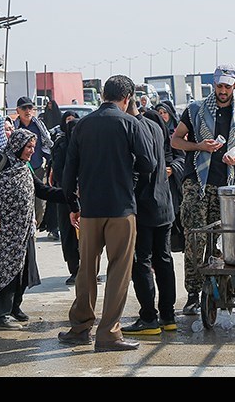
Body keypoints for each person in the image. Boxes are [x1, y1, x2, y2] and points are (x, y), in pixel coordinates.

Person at [58, 75, 155, 353]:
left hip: (89, 210)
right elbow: (148, 163)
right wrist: (131, 180)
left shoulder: (82, 125)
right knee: (118, 272)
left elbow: (68, 171)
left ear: (102, 95)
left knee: (86, 270)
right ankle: (109, 334)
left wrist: (73, 206)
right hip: (121, 209)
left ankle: (80, 328)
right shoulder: (131, 123)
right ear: (128, 98)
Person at [0, 128, 76, 337]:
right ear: (17, 145)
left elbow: (42, 190)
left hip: (15, 234)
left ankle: (1, 315)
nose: (31, 151)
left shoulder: (23, 166)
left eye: (33, 148)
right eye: (28, 147)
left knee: (11, 271)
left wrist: (70, 195)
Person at [170, 64, 235, 315]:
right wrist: (199, 146)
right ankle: (193, 293)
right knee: (195, 237)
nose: (223, 90)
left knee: (222, 239)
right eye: (219, 86)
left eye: (227, 86)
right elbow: (175, 140)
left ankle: (219, 289)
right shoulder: (195, 110)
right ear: (213, 86)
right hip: (196, 182)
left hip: (225, 183)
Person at [121, 101, 177, 335]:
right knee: (163, 258)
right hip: (164, 202)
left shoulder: (132, 128)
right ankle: (168, 316)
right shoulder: (155, 124)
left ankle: (148, 318)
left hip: (143, 204)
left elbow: (138, 168)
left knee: (141, 261)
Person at [48, 111, 81, 284]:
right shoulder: (61, 145)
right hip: (65, 195)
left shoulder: (87, 145)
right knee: (68, 233)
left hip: (84, 196)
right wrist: (72, 187)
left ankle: (89, 267)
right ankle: (74, 269)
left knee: (86, 234)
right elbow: (59, 171)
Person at [13, 96, 53, 233]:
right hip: (19, 172)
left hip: (37, 169)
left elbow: (47, 147)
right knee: (23, 203)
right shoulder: (13, 128)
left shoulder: (39, 127)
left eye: (30, 107)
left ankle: (35, 227)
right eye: (24, 108)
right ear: (18, 110)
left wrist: (51, 164)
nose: (27, 111)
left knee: (40, 205)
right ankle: (27, 232)